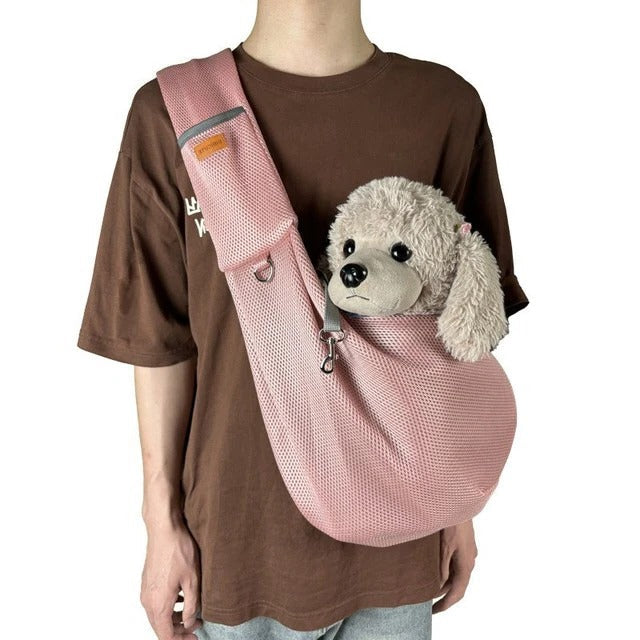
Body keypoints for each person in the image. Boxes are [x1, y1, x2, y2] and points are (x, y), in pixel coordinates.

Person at [77, 1, 529, 638]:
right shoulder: (174, 112)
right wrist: (161, 523)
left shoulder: (444, 106)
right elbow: (159, 339)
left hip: (399, 543)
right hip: (235, 547)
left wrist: (456, 505)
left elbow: (458, 332)